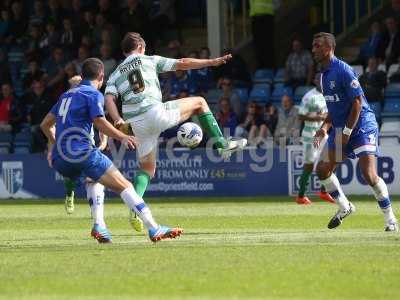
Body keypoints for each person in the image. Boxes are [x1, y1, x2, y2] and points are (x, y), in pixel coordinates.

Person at [105, 32, 247, 230]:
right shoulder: (149, 60)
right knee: (200, 102)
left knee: (146, 169)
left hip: (135, 124)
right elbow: (182, 62)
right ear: (140, 48)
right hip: (155, 112)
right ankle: (222, 145)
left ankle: (135, 210)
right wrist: (212, 62)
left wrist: (118, 119)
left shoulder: (115, 73)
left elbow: (109, 99)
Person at [40, 58, 183, 243]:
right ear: (101, 76)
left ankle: (100, 226)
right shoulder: (92, 94)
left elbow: (45, 125)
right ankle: (154, 228)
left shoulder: (66, 95)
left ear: (82, 76)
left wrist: (56, 143)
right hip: (82, 152)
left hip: (60, 159)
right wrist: (122, 136)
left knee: (94, 180)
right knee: (126, 186)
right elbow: (99, 122)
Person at [312, 32, 398, 231]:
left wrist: (347, 132)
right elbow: (334, 108)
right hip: (342, 127)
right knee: (323, 170)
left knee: (369, 175)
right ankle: (345, 207)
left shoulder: (343, 70)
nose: (314, 49)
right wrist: (324, 128)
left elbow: (357, 103)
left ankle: (390, 219)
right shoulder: (323, 76)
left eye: (317, 46)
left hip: (361, 126)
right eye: (313, 46)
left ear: (329, 48)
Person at [295, 75, 335, 205]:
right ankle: (301, 196)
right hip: (311, 136)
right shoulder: (309, 96)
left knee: (331, 160)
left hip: (323, 134)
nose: (322, 82)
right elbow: (301, 116)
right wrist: (318, 118)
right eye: (319, 79)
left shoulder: (328, 94)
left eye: (324, 79)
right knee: (309, 165)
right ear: (315, 80)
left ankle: (324, 192)